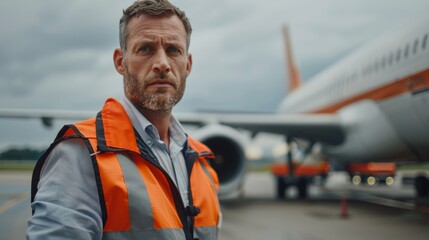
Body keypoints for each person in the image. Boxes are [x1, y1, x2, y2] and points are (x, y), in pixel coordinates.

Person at [27, 0, 222, 239]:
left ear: (187, 65)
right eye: (146, 49)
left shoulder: (201, 161)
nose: (162, 64)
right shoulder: (83, 155)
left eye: (173, 50)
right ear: (121, 62)